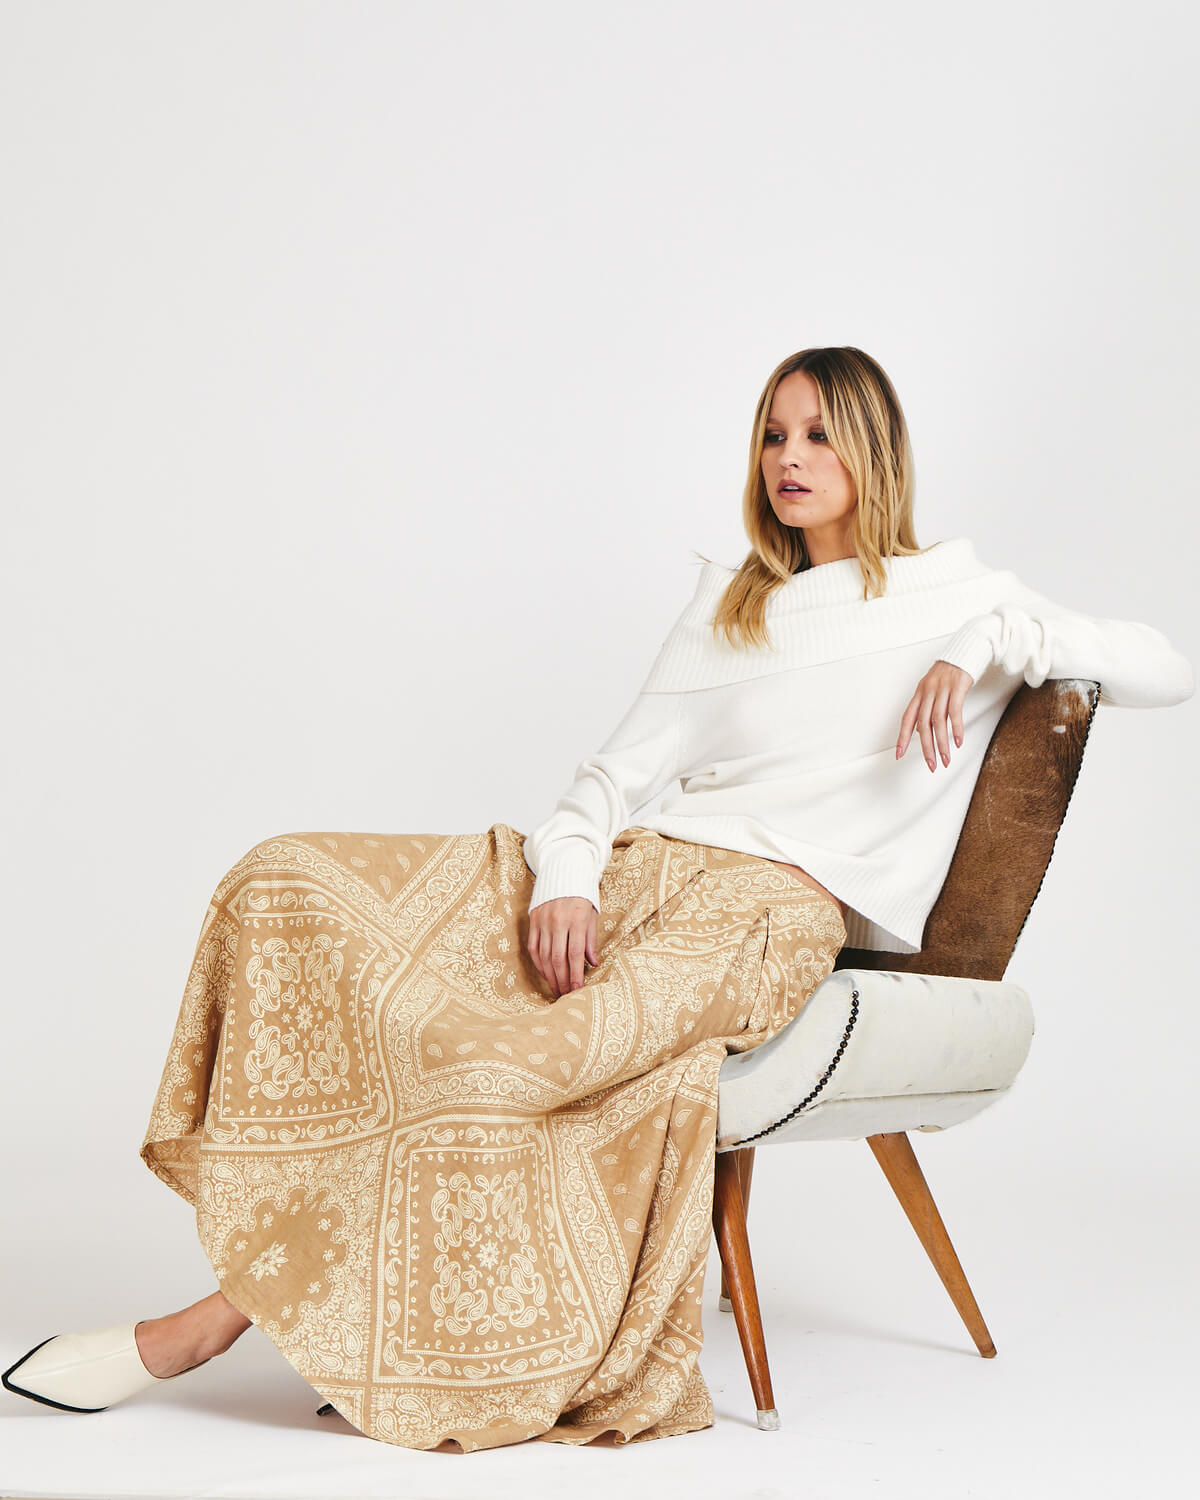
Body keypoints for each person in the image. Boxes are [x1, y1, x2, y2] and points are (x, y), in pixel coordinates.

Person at [4, 347, 1192, 1453]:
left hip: (768, 913)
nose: (788, 458)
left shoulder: (960, 596)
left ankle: (200, 1328)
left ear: (874, 450)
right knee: (287, 880)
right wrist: (566, 879)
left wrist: (988, 643)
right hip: (635, 873)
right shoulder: (731, 610)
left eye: (819, 435)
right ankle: (334, 1303)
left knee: (503, 1063)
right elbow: (607, 780)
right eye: (772, 434)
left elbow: (1166, 667)